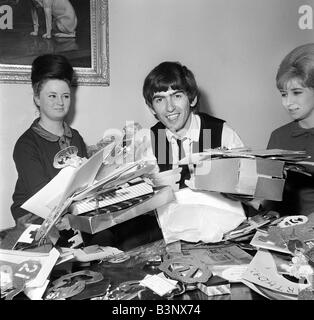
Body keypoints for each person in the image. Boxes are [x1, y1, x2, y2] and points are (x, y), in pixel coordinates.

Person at [143, 61, 244, 188]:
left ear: (192, 99)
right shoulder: (149, 142)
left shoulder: (222, 134)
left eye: (177, 96)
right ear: (152, 108)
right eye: (159, 99)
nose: (169, 108)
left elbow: (247, 191)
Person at [266, 43, 314, 216]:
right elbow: (269, 200)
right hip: (287, 231)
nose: (287, 103)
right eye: (284, 94)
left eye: (297, 92)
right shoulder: (278, 137)